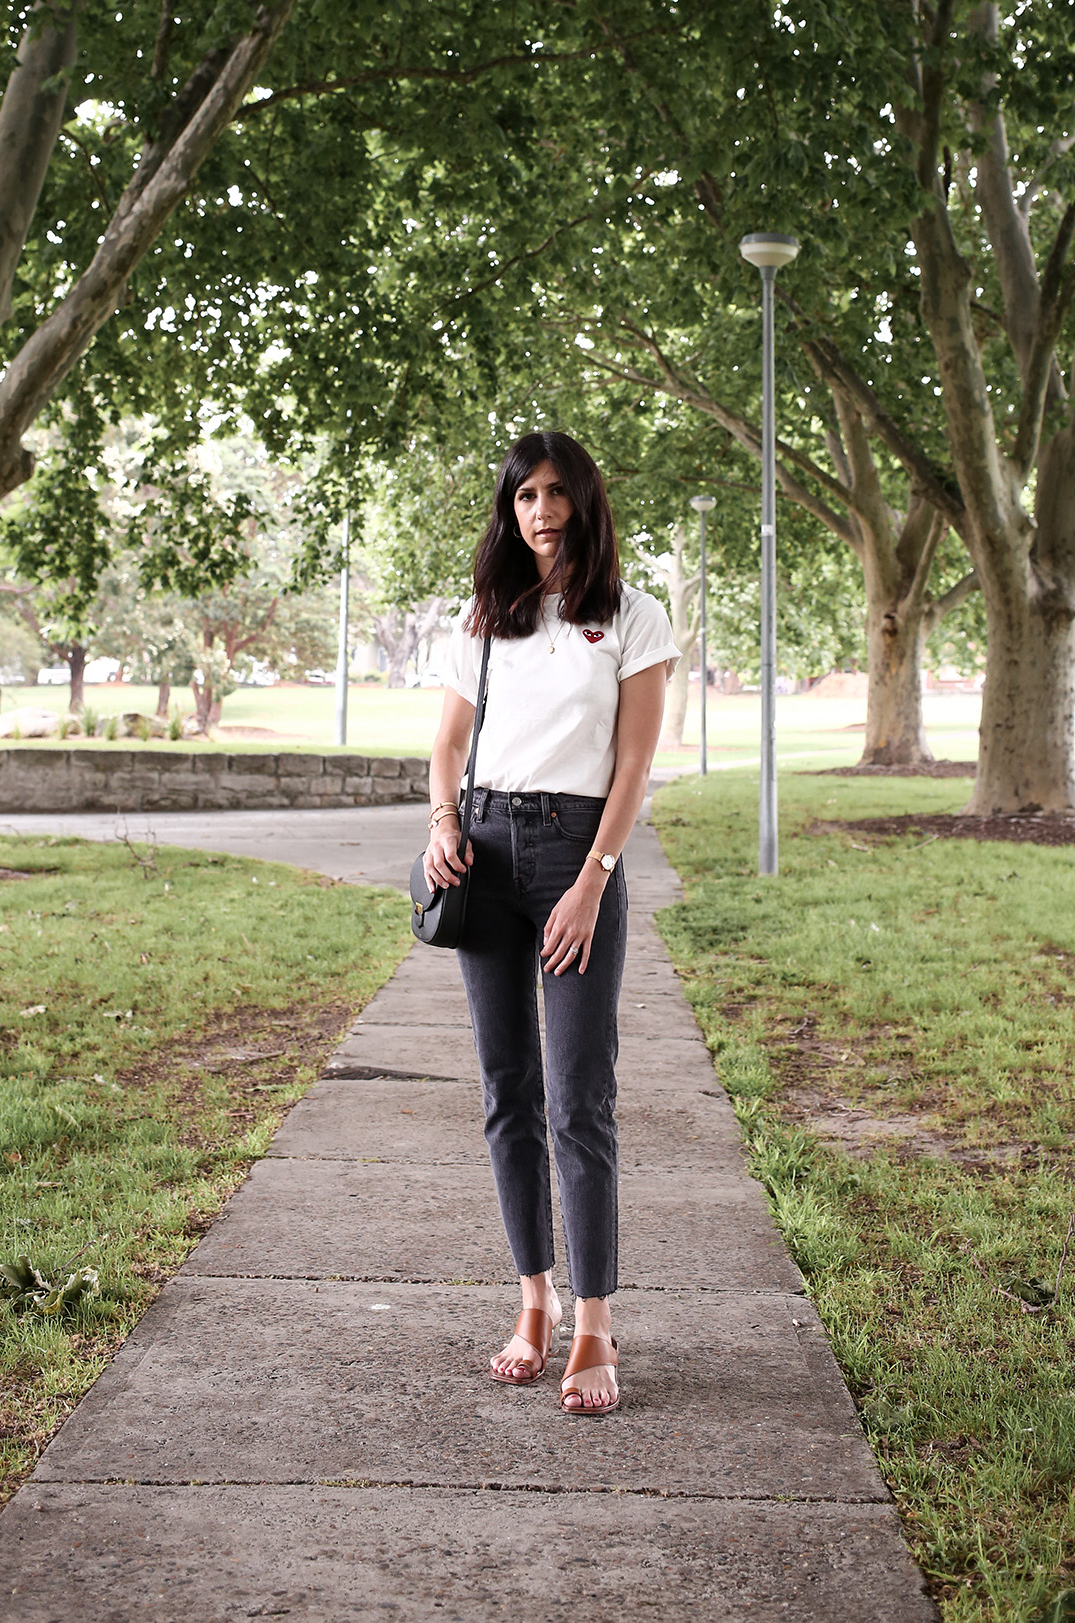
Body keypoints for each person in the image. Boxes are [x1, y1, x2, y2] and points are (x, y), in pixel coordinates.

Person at [422, 431, 678, 1416]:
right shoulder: (486, 614)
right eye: (523, 495)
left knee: (580, 1098)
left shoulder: (630, 617)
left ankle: (595, 1322)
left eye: (555, 493)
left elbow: (632, 768)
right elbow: (446, 745)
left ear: (582, 502)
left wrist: (592, 879)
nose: (539, 511)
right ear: (509, 508)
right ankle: (531, 1304)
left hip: (578, 852)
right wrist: (444, 824)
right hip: (483, 850)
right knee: (506, 1092)